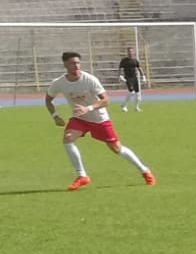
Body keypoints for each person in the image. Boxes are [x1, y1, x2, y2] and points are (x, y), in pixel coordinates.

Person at [44, 51, 156, 190]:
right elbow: (48, 99)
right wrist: (55, 116)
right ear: (65, 65)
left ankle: (144, 170)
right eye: (73, 63)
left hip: (99, 119)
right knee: (67, 138)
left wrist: (88, 108)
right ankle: (82, 176)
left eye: (78, 63)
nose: (76, 66)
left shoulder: (89, 79)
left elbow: (105, 101)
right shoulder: (59, 83)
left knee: (117, 149)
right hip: (80, 118)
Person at [118, 46, 144, 111]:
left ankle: (136, 107)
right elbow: (120, 68)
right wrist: (120, 75)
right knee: (132, 92)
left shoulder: (135, 60)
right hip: (128, 78)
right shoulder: (124, 60)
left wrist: (143, 76)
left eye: (131, 51)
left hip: (135, 78)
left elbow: (139, 68)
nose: (130, 52)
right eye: (129, 51)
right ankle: (124, 105)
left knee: (137, 93)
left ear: (133, 52)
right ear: (127, 52)